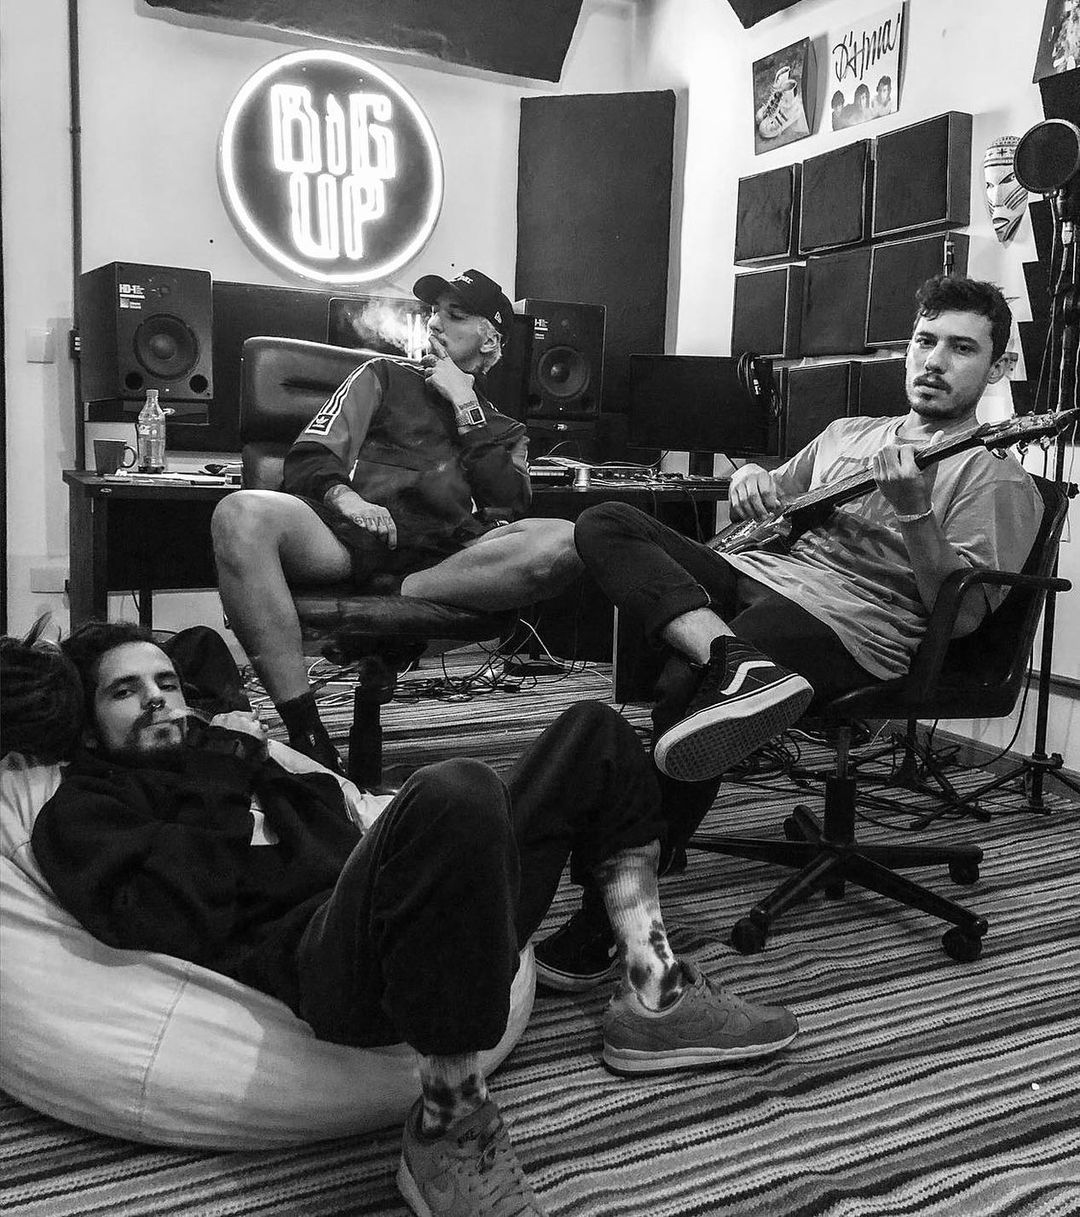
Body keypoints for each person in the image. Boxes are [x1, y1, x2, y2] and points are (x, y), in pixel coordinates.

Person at [26, 621, 797, 1217]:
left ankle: (654, 988)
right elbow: (170, 917)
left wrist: (255, 762)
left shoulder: (242, 757)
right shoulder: (89, 809)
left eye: (166, 681)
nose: (157, 697)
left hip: (425, 921)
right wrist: (221, 774)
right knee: (455, 787)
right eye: (125, 690)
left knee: (593, 730)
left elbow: (340, 820)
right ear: (89, 726)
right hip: (331, 963)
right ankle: (447, 1123)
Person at [533, 276, 1043, 986]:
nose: (934, 361)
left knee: (687, 687)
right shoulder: (846, 434)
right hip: (759, 575)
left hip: (850, 621)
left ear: (995, 368)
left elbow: (958, 616)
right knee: (606, 522)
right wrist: (750, 477)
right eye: (925, 341)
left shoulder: (997, 480)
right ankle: (734, 663)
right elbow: (774, 510)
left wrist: (914, 510)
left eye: (962, 348)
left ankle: (612, 914)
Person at [212, 267, 583, 774]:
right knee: (240, 512)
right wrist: (348, 500)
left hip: (444, 561)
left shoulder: (503, 428)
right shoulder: (382, 375)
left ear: (491, 338)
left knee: (565, 540)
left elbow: (508, 505)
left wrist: (466, 406)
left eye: (455, 314)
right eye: (434, 311)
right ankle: (306, 732)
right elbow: (309, 458)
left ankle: (402, 592)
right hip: (352, 542)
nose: (435, 323)